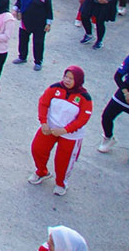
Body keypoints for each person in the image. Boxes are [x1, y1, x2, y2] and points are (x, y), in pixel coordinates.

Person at [29, 66, 92, 195]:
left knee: (63, 161)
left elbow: (83, 119)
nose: (67, 80)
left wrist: (64, 130)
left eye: (71, 78)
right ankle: (42, 172)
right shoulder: (54, 88)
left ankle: (61, 183)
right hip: (50, 128)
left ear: (79, 80)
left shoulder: (85, 98)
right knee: (38, 149)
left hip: (70, 135)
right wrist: (43, 123)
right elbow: (43, 103)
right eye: (66, 77)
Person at [97, 45, 129, 168]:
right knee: (107, 116)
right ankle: (108, 137)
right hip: (127, 90)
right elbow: (118, 76)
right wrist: (126, 93)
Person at [14, 0, 53, 71]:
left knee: (38, 42)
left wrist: (48, 23)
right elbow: (19, 1)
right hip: (25, 21)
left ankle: (38, 62)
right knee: (23, 39)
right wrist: (15, 9)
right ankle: (22, 57)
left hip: (39, 24)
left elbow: (49, 10)